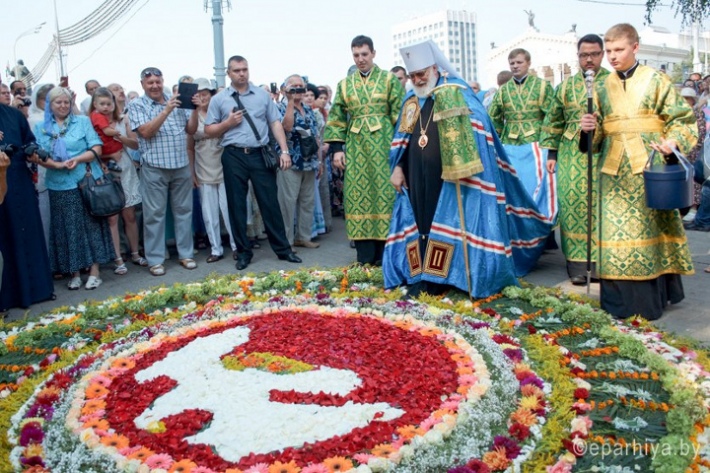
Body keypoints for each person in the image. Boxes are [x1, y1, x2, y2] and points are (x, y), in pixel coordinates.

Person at [383, 40, 553, 298]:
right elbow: (401, 139)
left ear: (434, 68)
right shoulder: (411, 98)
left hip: (450, 174)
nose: (417, 80)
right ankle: (420, 276)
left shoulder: (457, 91)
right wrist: (397, 168)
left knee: (443, 220)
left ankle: (446, 277)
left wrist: (463, 156)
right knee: (419, 221)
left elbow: (481, 126)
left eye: (421, 74)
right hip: (415, 172)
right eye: (413, 75)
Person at [579, 23, 697, 320]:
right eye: (609, 51)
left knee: (650, 230)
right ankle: (617, 303)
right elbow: (597, 137)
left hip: (648, 165)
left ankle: (650, 301)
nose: (612, 57)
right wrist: (589, 130)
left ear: (635, 47)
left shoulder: (656, 79)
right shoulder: (602, 85)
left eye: (618, 50)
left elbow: (682, 119)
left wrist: (674, 142)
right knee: (613, 237)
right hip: (612, 171)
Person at [204, 55, 301, 271]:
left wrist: (284, 151)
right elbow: (208, 130)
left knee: (270, 203)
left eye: (245, 69)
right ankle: (243, 252)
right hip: (233, 155)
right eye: (237, 70)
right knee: (236, 205)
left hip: (260, 154)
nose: (242, 73)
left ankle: (283, 250)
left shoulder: (261, 95)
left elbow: (275, 123)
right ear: (228, 73)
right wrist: (227, 123)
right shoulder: (219, 100)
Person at [324, 35, 405, 265]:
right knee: (358, 197)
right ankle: (364, 258)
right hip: (357, 149)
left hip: (384, 146)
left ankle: (387, 258)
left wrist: (400, 151)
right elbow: (337, 117)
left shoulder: (389, 80)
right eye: (356, 55)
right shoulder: (345, 84)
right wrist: (337, 149)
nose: (360, 59)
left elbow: (399, 117)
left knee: (385, 196)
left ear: (373, 54)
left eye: (364, 54)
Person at [540, 34, 610, 285]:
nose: (588, 59)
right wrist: (552, 153)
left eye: (594, 54)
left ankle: (601, 264)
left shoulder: (612, 83)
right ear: (578, 56)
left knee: (600, 208)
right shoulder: (566, 86)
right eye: (583, 55)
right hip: (571, 154)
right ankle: (578, 266)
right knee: (572, 207)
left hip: (603, 153)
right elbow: (553, 119)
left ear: (602, 54)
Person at [33, 87, 115, 290]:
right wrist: (56, 165)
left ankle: (95, 272)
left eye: (66, 102)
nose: (63, 106)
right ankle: (75, 272)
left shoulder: (83, 122)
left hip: (85, 180)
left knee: (91, 226)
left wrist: (76, 159)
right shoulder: (41, 127)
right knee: (67, 229)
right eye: (58, 102)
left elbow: (96, 148)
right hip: (58, 184)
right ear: (50, 105)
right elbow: (38, 155)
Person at [127, 67, 197, 276]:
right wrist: (165, 111)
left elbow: (191, 130)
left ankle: (186, 254)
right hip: (154, 167)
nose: (155, 86)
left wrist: (193, 109)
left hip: (181, 165)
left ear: (162, 81)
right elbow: (146, 133)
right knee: (154, 215)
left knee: (184, 212)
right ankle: (155, 260)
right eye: (150, 83)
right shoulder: (136, 105)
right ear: (142, 85)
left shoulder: (177, 100)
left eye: (158, 81)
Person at [0, 103, 54, 310]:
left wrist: (31, 151)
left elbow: (27, 142)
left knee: (25, 233)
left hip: (17, 183)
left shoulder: (13, 115)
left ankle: (35, 291)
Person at [186, 77, 237, 263]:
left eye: (206, 93)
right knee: (209, 212)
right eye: (198, 94)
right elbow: (189, 147)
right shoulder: (192, 116)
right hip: (203, 165)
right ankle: (216, 249)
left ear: (212, 94)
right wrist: (191, 173)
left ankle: (236, 245)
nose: (202, 97)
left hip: (225, 165)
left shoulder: (222, 112)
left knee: (228, 208)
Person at [277, 74, 321, 249]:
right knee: (287, 202)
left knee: (307, 200)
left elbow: (316, 137)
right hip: (291, 161)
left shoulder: (309, 109)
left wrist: (320, 161)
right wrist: (289, 101)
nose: (298, 90)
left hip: (309, 161)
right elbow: (286, 127)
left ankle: (303, 236)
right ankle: (286, 241)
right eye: (293, 86)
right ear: (286, 88)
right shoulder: (279, 107)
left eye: (300, 86)